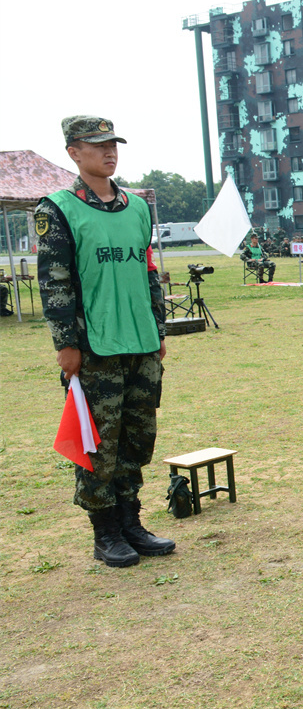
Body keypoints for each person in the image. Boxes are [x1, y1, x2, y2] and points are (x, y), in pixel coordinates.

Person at [35, 115, 174, 568]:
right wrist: (66, 344)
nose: (109, 152)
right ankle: (106, 532)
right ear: (74, 152)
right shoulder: (58, 209)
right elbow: (54, 283)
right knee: (98, 442)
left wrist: (158, 329)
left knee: (137, 435)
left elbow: (148, 271)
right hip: (94, 346)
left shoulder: (137, 207)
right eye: (97, 146)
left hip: (140, 341)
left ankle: (132, 522)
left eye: (113, 144)